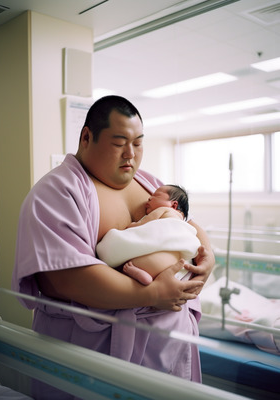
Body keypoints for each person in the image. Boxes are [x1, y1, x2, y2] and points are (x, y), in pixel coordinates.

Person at [12, 95, 215, 399]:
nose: (130, 154)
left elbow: (186, 221)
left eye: (138, 143)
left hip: (168, 338)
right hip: (93, 346)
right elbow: (67, 278)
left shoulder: (150, 183)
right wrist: (152, 294)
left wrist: (208, 255)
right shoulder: (56, 192)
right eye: (119, 142)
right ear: (86, 137)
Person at [96, 184, 201, 285]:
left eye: (156, 196)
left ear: (173, 205)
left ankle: (141, 275)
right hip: (172, 266)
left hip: (151, 263)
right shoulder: (183, 225)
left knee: (125, 265)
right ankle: (145, 278)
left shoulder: (164, 210)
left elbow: (142, 224)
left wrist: (132, 225)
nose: (149, 198)